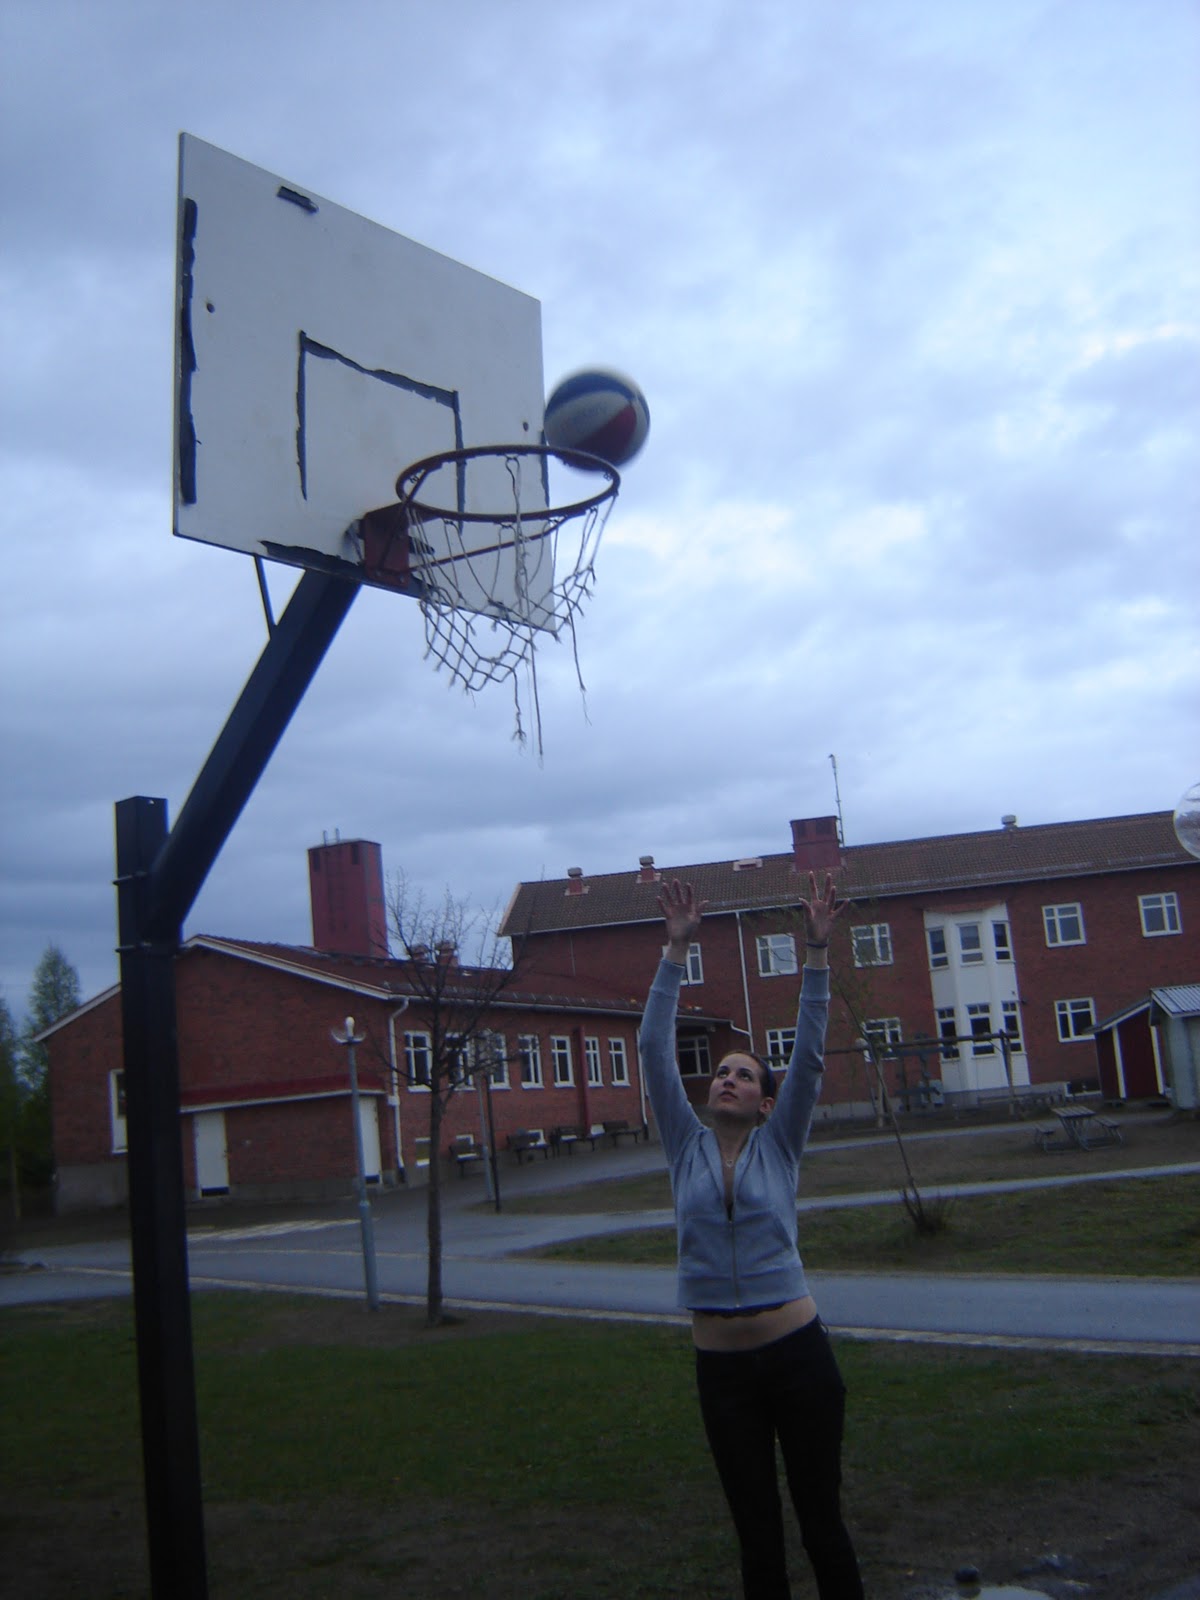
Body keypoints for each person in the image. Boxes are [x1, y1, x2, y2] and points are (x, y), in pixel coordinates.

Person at [639, 874, 864, 1600]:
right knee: (757, 1538)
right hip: (723, 1372)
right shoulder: (684, 1147)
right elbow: (652, 1047)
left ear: (766, 1102)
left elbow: (810, 1055)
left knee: (821, 1523)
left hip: (798, 1357)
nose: (727, 1080)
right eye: (721, 1073)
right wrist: (675, 952)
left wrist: (816, 953)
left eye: (744, 1075)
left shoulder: (781, 1143)